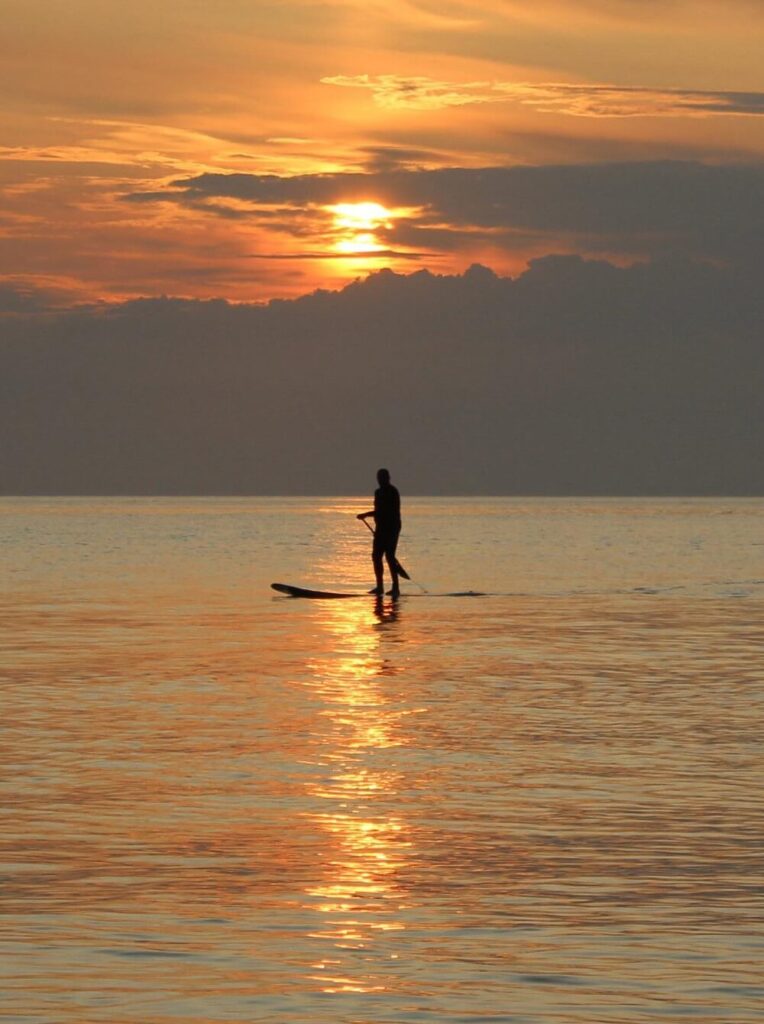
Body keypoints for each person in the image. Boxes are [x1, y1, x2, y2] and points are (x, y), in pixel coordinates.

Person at [357, 468, 402, 598]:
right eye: (379, 478)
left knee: (389, 556)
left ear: (388, 478)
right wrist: (369, 516)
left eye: (383, 478)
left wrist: (366, 514)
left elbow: (384, 511)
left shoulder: (392, 492)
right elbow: (378, 510)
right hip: (381, 528)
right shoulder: (378, 492)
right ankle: (379, 587)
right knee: (376, 556)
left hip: (392, 528)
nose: (380, 480)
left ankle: (395, 588)